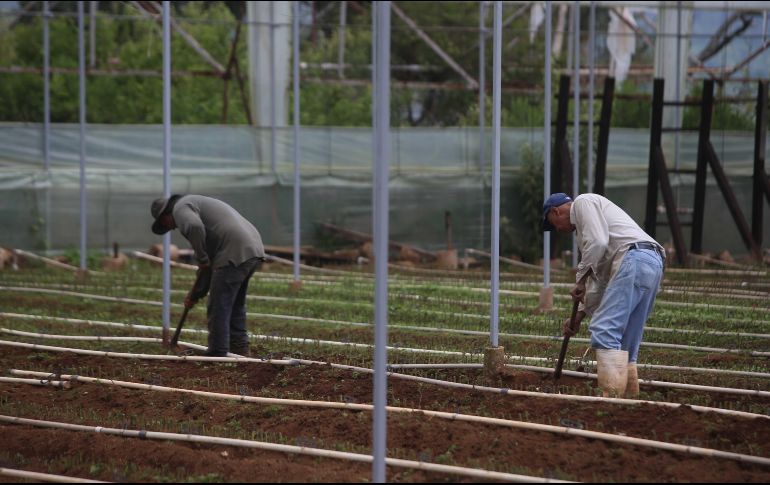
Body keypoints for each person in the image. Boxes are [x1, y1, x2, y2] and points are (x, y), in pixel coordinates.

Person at [542, 192, 665, 398]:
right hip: (651, 261)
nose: (557, 229)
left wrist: (579, 279)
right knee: (627, 339)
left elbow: (598, 243)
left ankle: (611, 400)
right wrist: (579, 315)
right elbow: (599, 283)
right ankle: (630, 397)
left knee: (604, 330)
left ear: (556, 211)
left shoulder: (583, 203)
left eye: (553, 224)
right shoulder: (587, 230)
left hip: (633, 258)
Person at [150, 194, 266, 357]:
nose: (173, 227)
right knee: (234, 304)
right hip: (253, 248)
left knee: (219, 304)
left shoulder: (180, 208)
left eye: (167, 225)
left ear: (164, 217)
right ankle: (239, 348)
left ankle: (217, 352)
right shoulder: (196, 204)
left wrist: (201, 258)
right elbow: (208, 270)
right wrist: (195, 295)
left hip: (233, 249)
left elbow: (194, 227)